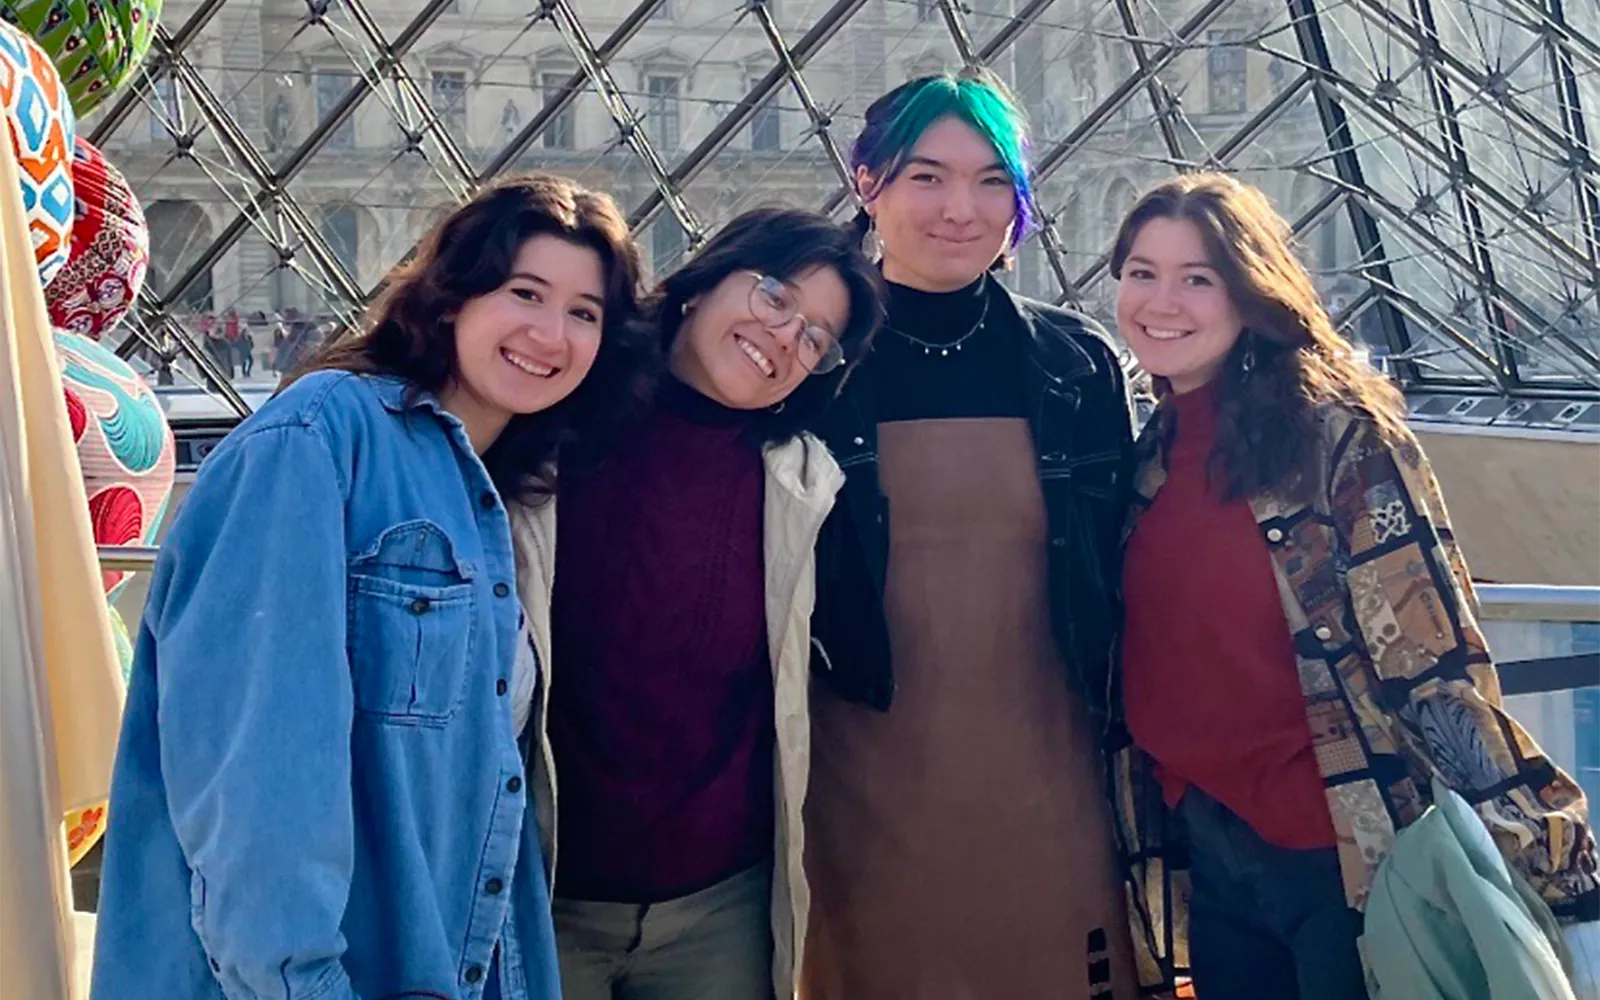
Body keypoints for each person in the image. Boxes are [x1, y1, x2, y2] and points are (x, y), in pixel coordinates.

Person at [90, 173, 654, 1000]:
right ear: (453, 296)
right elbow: (255, 773)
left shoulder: (505, 495)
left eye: (584, 313)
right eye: (524, 291)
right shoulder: (318, 440)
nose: (550, 332)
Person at [1105, 172, 1600, 999]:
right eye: (1141, 273)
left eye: (1199, 278)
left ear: (1250, 295)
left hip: (1342, 853)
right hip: (1207, 843)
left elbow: (1436, 659)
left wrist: (1554, 863)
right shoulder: (1148, 452)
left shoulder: (1339, 440)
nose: (1163, 301)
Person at [801, 69, 1140, 999]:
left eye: (993, 180)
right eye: (928, 176)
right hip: (857, 786)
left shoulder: (1081, 364)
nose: (963, 208)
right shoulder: (804, 361)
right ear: (865, 182)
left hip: (1053, 779)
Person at [510, 208, 881, 1000]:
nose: (786, 337)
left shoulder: (804, 485)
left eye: (816, 337)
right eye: (777, 296)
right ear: (705, 280)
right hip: (539, 895)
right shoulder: (543, 428)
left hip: (719, 910)